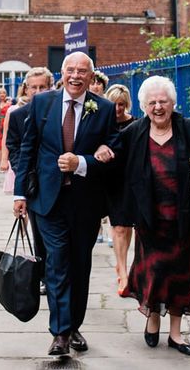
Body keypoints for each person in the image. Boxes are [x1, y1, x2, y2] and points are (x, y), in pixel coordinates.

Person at [14, 51, 120, 357]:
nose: (75, 76)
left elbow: (115, 147)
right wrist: (20, 194)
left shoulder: (103, 108)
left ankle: (74, 326)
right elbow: (27, 148)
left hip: (85, 201)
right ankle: (59, 332)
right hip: (47, 200)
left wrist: (84, 161)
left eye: (82, 71)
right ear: (62, 73)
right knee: (58, 262)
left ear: (91, 76)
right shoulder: (42, 103)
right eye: (70, 70)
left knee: (80, 264)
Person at [98, 75, 190, 357]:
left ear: (173, 103)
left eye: (163, 101)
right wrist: (103, 151)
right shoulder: (134, 131)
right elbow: (114, 152)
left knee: (182, 275)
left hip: (183, 217)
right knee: (154, 272)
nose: (158, 107)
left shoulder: (187, 128)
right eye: (152, 102)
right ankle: (152, 320)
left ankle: (176, 333)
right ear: (144, 105)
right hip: (150, 218)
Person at [1, 67, 53, 295]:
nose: (39, 91)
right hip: (34, 185)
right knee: (40, 233)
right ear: (27, 89)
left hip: (59, 181)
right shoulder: (18, 115)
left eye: (43, 86)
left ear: (51, 87)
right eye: (34, 87)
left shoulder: (60, 113)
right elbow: (12, 146)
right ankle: (44, 276)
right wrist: (24, 170)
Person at [102, 83, 136, 286]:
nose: (118, 108)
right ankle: (122, 270)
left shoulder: (137, 123)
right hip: (110, 179)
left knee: (128, 225)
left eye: (121, 104)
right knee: (119, 226)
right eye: (114, 104)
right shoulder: (103, 123)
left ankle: (124, 265)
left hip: (131, 180)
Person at [0, 87, 12, 164]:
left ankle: (5, 160)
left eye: (4, 93)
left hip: (6, 125)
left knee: (5, 142)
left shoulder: (9, 104)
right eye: (0, 93)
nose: (2, 94)